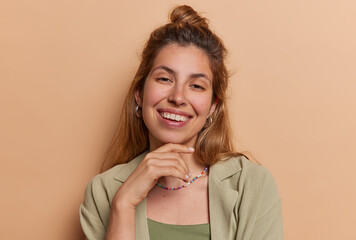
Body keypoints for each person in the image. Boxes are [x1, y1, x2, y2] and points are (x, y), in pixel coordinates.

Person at [79, 5, 283, 240]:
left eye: (196, 85)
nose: (177, 97)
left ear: (213, 106)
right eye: (165, 78)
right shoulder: (104, 192)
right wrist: (123, 205)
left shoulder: (251, 185)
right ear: (139, 94)